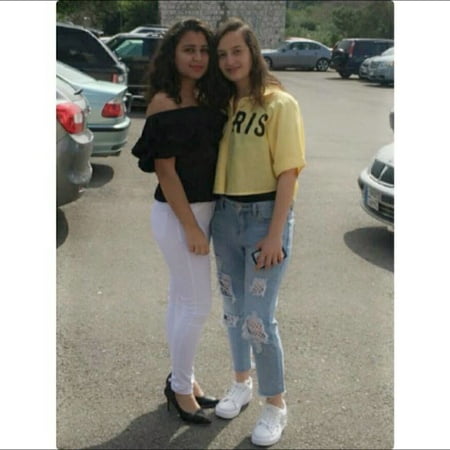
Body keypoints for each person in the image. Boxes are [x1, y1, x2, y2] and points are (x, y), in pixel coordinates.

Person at [210, 18, 306, 446]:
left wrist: (274, 234)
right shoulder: (226, 105)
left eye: (237, 51)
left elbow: (288, 172)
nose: (230, 60)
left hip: (265, 218)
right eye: (222, 54)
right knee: (233, 311)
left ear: (253, 52)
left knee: (258, 318)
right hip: (225, 218)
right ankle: (241, 382)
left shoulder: (280, 104)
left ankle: (275, 404)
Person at [131, 19, 227, 425]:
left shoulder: (207, 96)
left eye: (204, 50)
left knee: (180, 300)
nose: (198, 57)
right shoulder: (164, 102)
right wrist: (190, 227)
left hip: (202, 211)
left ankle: (181, 379)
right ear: (173, 54)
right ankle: (182, 391)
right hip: (177, 215)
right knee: (198, 306)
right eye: (189, 49)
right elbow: (165, 172)